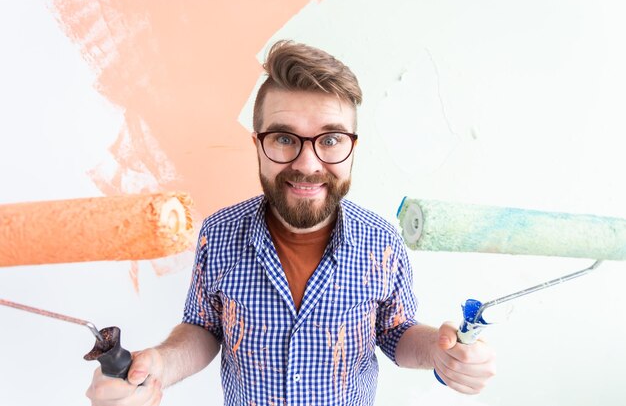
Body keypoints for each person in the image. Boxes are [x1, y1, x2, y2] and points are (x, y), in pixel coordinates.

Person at [86, 40, 496, 406]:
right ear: (257, 145)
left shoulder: (381, 241)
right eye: (284, 138)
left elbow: (396, 332)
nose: (307, 163)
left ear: (353, 148)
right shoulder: (219, 233)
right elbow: (203, 329)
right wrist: (159, 364)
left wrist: (443, 354)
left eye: (331, 139)